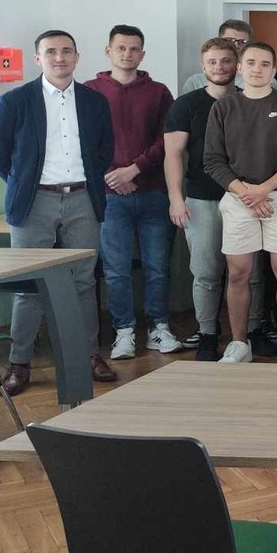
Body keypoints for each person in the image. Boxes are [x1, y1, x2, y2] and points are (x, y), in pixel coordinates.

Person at [0, 29, 117, 393]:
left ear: (77, 57)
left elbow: (104, 150)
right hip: (34, 203)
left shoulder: (94, 102)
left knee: (83, 282)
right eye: (51, 52)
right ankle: (20, 363)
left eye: (67, 51)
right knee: (29, 286)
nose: (60, 57)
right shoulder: (14, 101)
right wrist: (25, 183)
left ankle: (89, 354)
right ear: (38, 58)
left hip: (83, 199)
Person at [202, 41, 277, 365]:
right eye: (250, 63)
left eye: (264, 64)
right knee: (238, 272)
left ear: (273, 69)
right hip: (239, 198)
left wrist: (264, 189)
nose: (257, 69)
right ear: (239, 67)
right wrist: (247, 193)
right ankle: (239, 343)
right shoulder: (223, 108)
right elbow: (213, 160)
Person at [164, 38, 264, 361]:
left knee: (252, 273)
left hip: (248, 199)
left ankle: (252, 331)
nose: (219, 67)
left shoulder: (254, 100)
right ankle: (207, 333)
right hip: (202, 199)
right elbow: (173, 154)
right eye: (212, 62)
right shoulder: (186, 105)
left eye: (226, 61)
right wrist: (176, 199)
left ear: (237, 65)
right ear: (202, 66)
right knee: (206, 272)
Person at [87, 25, 179, 360]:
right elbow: (84, 142)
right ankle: (123, 331)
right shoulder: (90, 91)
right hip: (109, 196)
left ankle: (158, 327)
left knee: (158, 267)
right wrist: (112, 175)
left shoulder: (158, 92)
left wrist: (135, 168)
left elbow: (167, 140)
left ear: (142, 53)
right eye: (121, 48)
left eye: (134, 48)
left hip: (153, 192)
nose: (127, 54)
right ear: (108, 51)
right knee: (116, 269)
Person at [181, 19, 265, 93]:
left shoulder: (259, 78)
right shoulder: (195, 82)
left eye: (242, 41)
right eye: (229, 40)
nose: (236, 45)